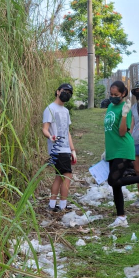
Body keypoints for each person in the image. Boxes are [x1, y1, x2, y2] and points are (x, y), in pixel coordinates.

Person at [103, 81, 139, 228]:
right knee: (116, 186)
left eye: (116, 95)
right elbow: (110, 129)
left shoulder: (125, 108)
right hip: (112, 149)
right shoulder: (110, 106)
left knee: (113, 181)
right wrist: (106, 150)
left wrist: (124, 115)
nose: (113, 97)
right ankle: (121, 217)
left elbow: (123, 132)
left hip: (123, 149)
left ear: (123, 94)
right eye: (111, 94)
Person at [42, 83, 77, 212]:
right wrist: (50, 137)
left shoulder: (66, 111)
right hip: (57, 148)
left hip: (65, 149)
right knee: (67, 176)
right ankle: (62, 206)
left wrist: (72, 150)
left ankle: (52, 205)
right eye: (64, 91)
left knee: (59, 176)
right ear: (57, 92)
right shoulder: (50, 108)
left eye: (69, 92)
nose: (66, 94)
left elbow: (67, 131)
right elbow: (45, 129)